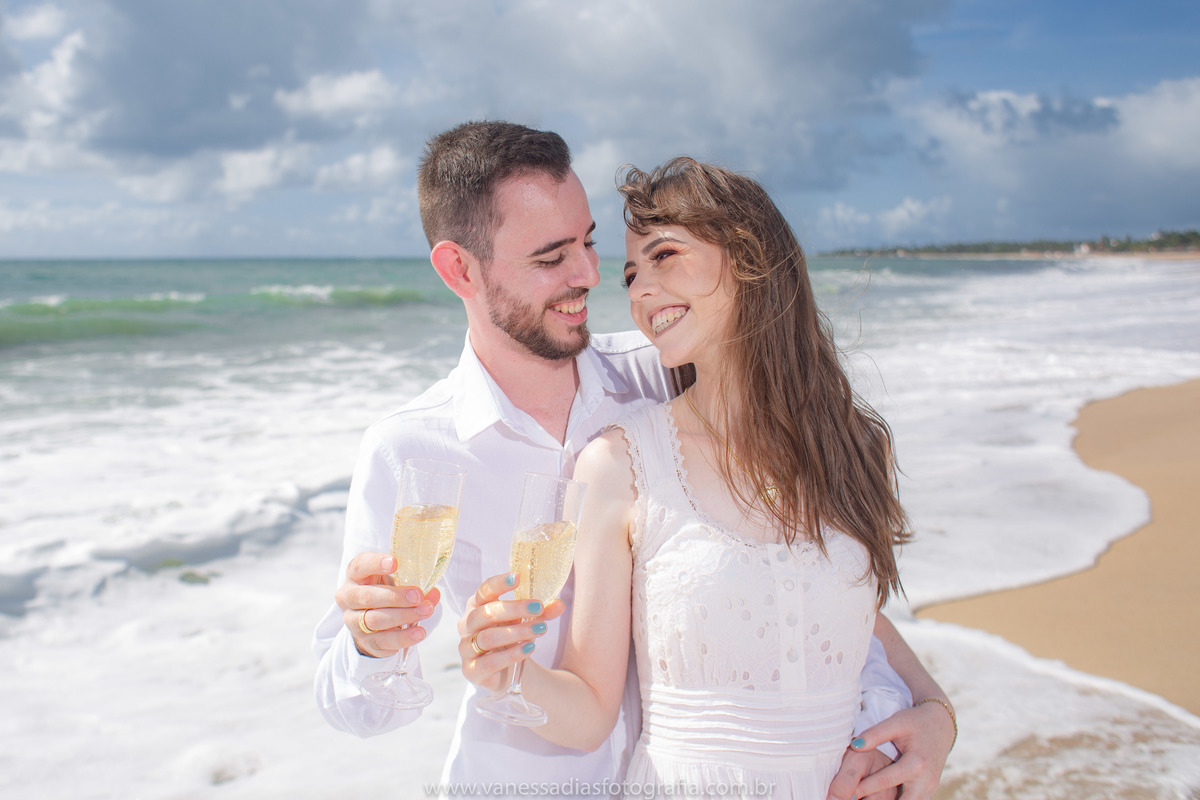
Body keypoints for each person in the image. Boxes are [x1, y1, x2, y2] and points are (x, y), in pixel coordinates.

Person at [313, 122, 953, 799]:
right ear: (459, 269)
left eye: (589, 244)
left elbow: (800, 582)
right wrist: (373, 643)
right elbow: (356, 710)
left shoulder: (664, 371)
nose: (592, 277)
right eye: (552, 255)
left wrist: (932, 712)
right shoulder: (412, 450)